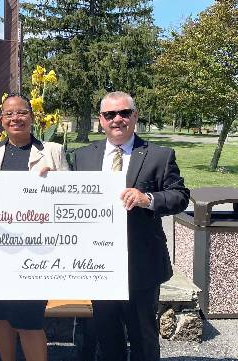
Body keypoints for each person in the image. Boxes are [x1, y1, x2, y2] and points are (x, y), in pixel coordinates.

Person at [71, 91, 190, 361]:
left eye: (124, 113)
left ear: (135, 116)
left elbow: (180, 196)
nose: (117, 119)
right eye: (109, 114)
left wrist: (147, 198)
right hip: (98, 265)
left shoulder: (160, 156)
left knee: (143, 339)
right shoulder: (82, 157)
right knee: (107, 338)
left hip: (141, 263)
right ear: (100, 120)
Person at [0, 93, 69, 361]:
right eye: (9, 114)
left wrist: (55, 180)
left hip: (34, 251)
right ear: (2, 120)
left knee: (29, 319)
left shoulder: (52, 151)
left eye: (22, 112)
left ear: (32, 116)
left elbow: (71, 197)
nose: (16, 118)